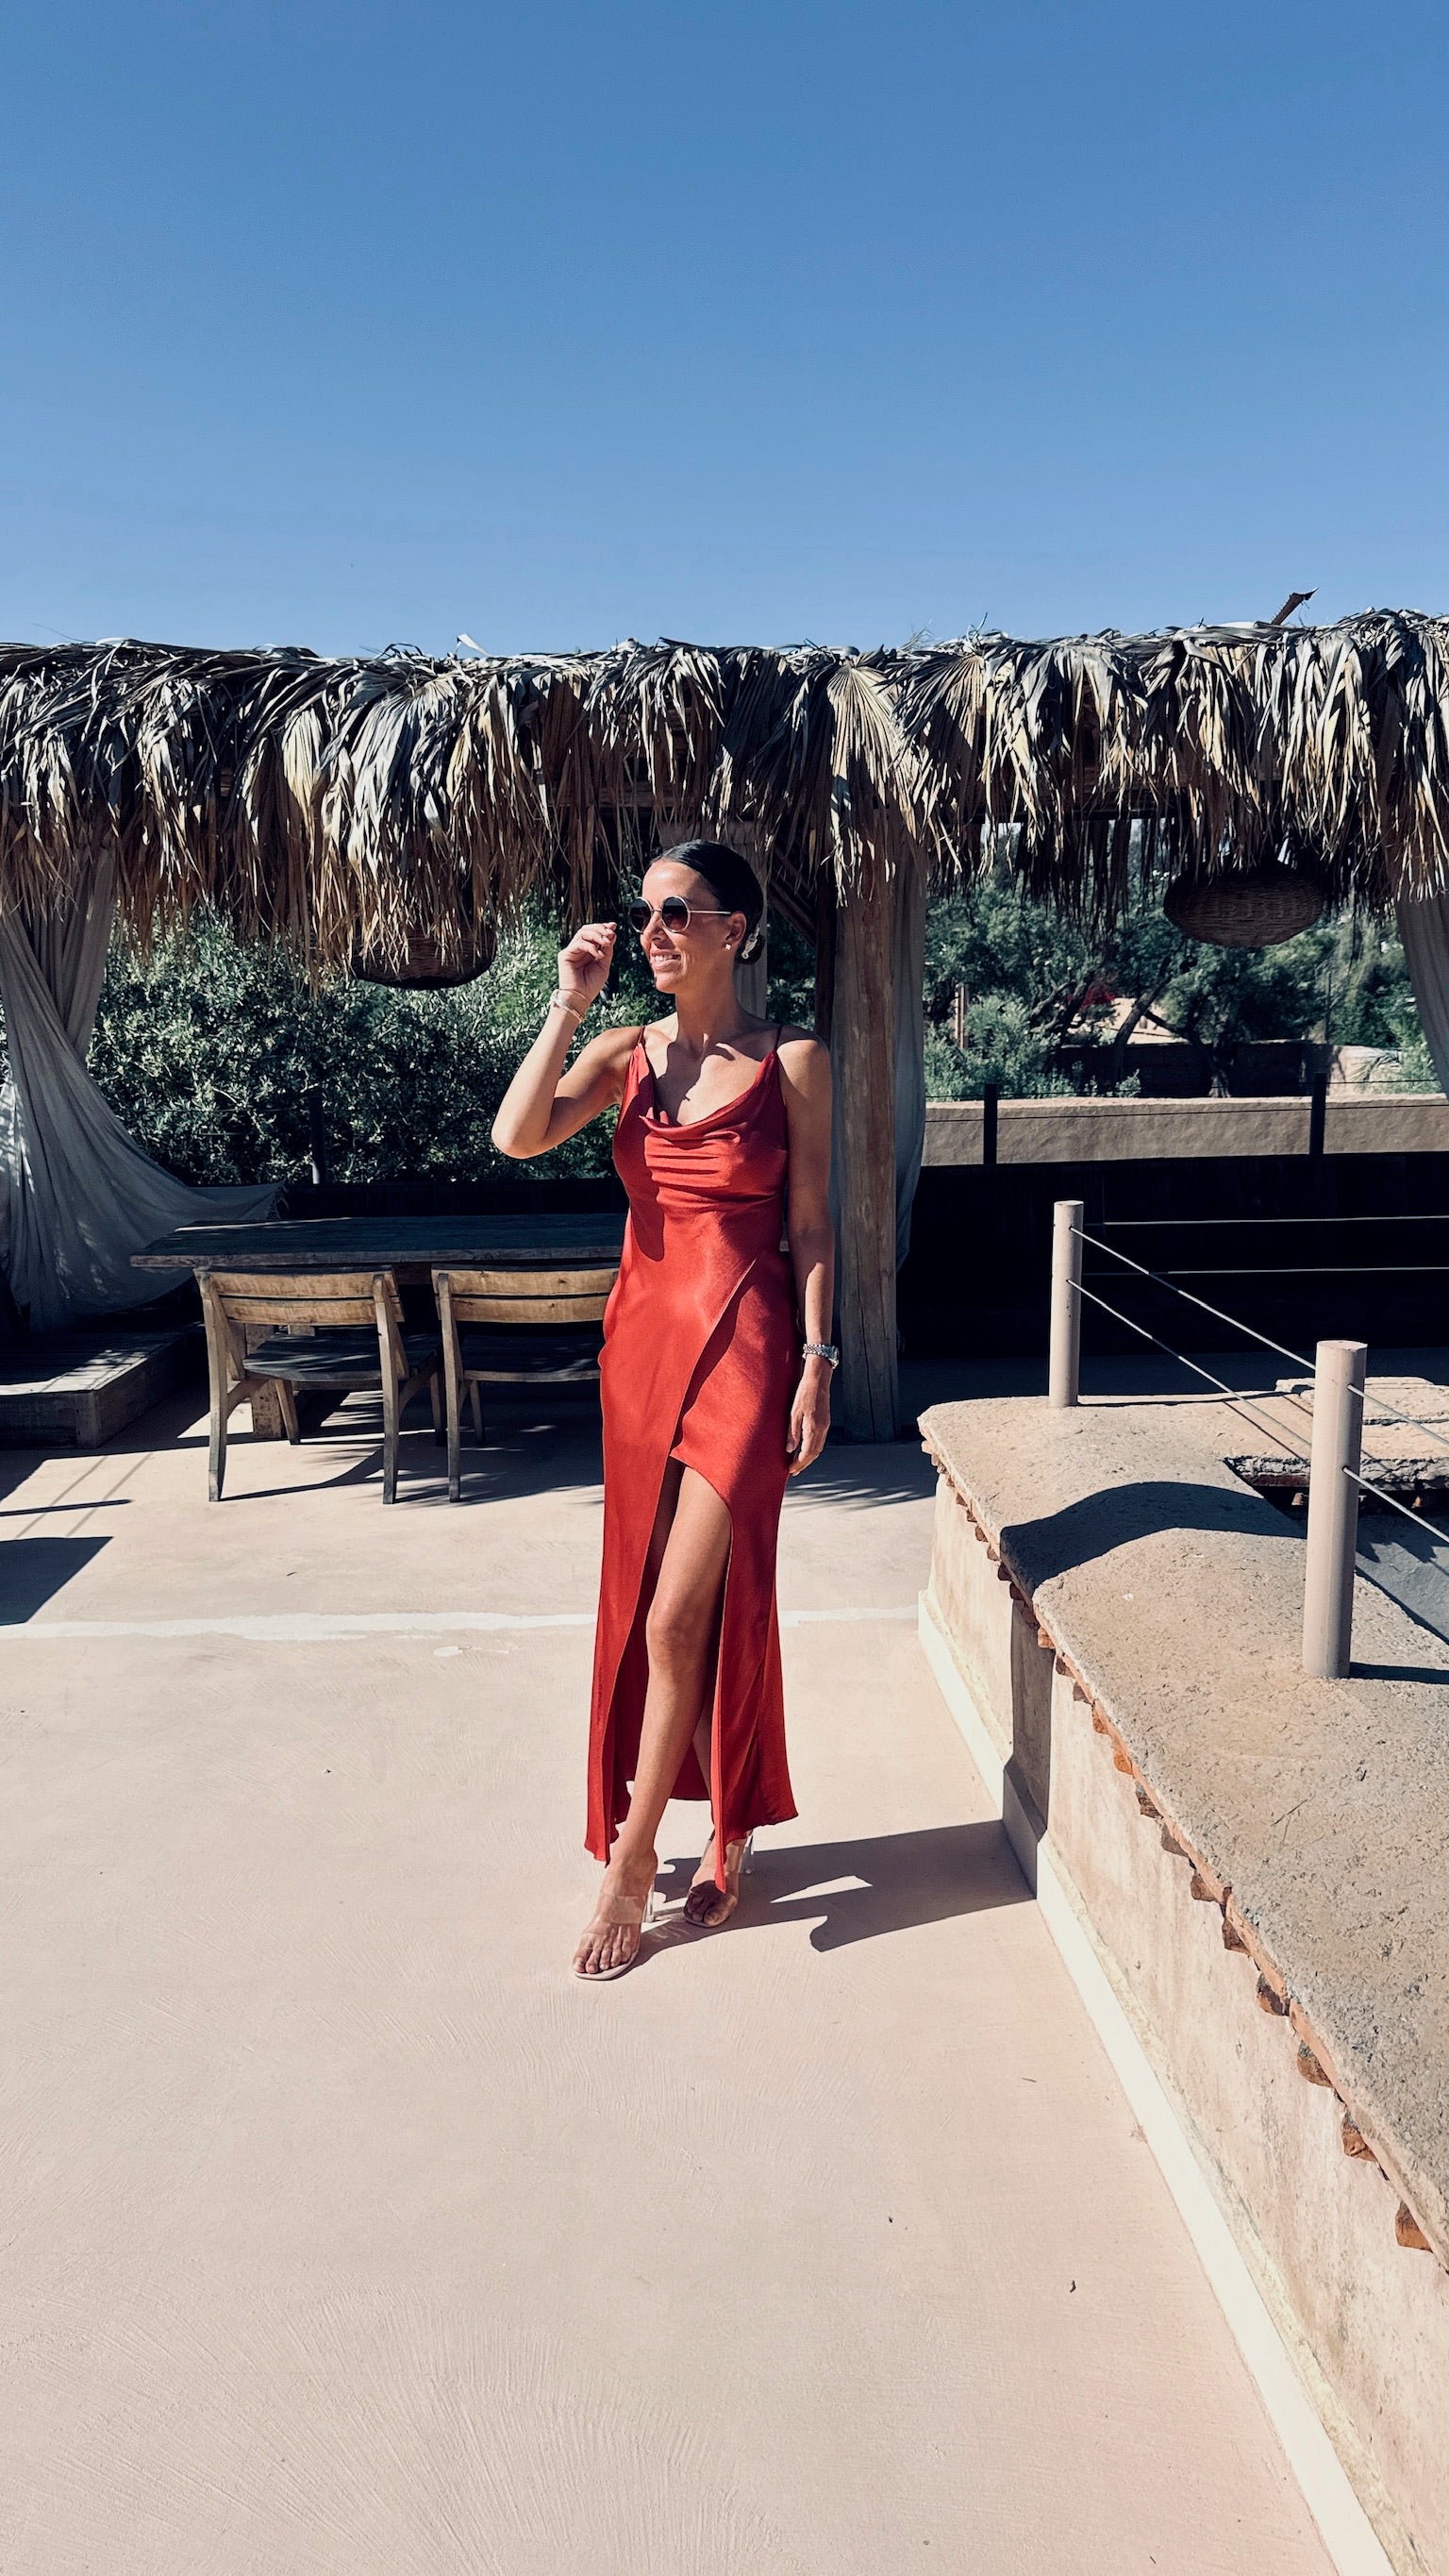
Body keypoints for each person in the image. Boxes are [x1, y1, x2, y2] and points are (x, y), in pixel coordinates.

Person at [491, 841, 836, 1979]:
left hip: (748, 1344)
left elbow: (813, 1226)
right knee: (649, 1594)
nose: (653, 931)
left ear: (736, 928)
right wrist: (566, 1003)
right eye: (645, 912)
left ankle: (634, 1857)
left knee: (680, 1614)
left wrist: (820, 1360)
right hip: (641, 1350)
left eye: (677, 911)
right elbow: (516, 1137)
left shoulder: (794, 1061)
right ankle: (730, 1820)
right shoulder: (621, 1054)